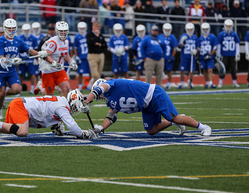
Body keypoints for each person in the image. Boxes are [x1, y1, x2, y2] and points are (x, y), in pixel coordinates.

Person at [83, 78, 212, 137]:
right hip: (145, 105)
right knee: (151, 130)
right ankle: (173, 122)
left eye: (97, 91)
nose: (100, 96)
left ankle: (204, 127)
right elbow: (111, 116)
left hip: (153, 95)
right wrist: (100, 128)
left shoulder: (111, 84)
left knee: (176, 118)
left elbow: (103, 87)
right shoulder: (111, 100)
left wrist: (89, 97)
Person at [0, 90, 95, 140]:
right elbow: (73, 126)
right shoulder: (62, 107)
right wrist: (83, 134)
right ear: (73, 102)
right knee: (22, 132)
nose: (75, 109)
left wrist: (58, 126)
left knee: (11, 129)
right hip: (21, 106)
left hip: (21, 105)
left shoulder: (61, 102)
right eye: (76, 106)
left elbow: (49, 111)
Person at [0, 18, 48, 120]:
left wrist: (39, 54)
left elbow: (29, 50)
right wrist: (11, 61)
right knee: (0, 92)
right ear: (5, 29)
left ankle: (3, 95)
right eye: (9, 28)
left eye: (13, 28)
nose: (11, 30)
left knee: (17, 89)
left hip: (11, 70)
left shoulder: (18, 40)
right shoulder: (0, 41)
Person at [39, 21, 77, 98]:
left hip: (59, 70)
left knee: (66, 88)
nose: (63, 32)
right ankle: (40, 86)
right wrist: (54, 63)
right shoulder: (53, 43)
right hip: (49, 70)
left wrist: (71, 61)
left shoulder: (66, 41)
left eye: (65, 30)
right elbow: (46, 55)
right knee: (49, 95)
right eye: (61, 31)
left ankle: (63, 105)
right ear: (57, 31)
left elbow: (65, 53)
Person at [216, 19, 241, 88]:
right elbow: (219, 45)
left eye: (230, 26)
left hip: (232, 54)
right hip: (224, 54)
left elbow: (237, 44)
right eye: (227, 26)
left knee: (233, 69)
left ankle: (234, 82)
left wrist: (237, 53)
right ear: (225, 26)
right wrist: (218, 54)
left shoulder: (234, 34)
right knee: (222, 69)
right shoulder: (221, 34)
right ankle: (220, 82)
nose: (228, 27)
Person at [176, 23, 199, 89]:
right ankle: (182, 83)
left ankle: (190, 83)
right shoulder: (183, 36)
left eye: (191, 29)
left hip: (192, 56)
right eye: (188, 29)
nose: (190, 30)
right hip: (184, 56)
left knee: (191, 71)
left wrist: (196, 51)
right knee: (182, 70)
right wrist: (182, 42)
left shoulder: (195, 37)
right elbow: (179, 46)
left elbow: (198, 47)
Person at [18, 23, 39, 94]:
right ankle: (20, 89)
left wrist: (36, 58)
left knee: (32, 74)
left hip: (30, 59)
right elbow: (17, 48)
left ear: (29, 30)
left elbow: (36, 49)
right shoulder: (20, 37)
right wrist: (17, 57)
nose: (26, 31)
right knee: (20, 74)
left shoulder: (33, 38)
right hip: (22, 59)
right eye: (25, 30)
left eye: (27, 30)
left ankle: (32, 88)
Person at [198, 22, 219, 88]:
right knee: (204, 70)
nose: (205, 30)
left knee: (210, 69)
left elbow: (215, 47)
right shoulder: (200, 38)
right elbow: (198, 48)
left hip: (210, 56)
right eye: (204, 29)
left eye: (206, 29)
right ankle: (207, 83)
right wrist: (198, 57)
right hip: (202, 56)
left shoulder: (212, 37)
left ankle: (211, 83)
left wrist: (210, 54)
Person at [158, 23, 178, 90]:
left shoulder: (172, 37)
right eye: (166, 29)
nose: (167, 31)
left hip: (168, 56)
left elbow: (175, 48)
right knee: (160, 71)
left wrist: (172, 56)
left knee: (169, 71)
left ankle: (168, 83)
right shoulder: (160, 37)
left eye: (168, 30)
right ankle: (160, 83)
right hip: (161, 57)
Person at [73, 22, 90, 91]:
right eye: (80, 28)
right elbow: (75, 48)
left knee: (90, 72)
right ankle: (80, 86)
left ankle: (90, 85)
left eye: (83, 28)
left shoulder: (89, 35)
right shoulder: (77, 37)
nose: (82, 29)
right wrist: (76, 56)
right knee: (80, 72)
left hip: (89, 56)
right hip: (81, 57)